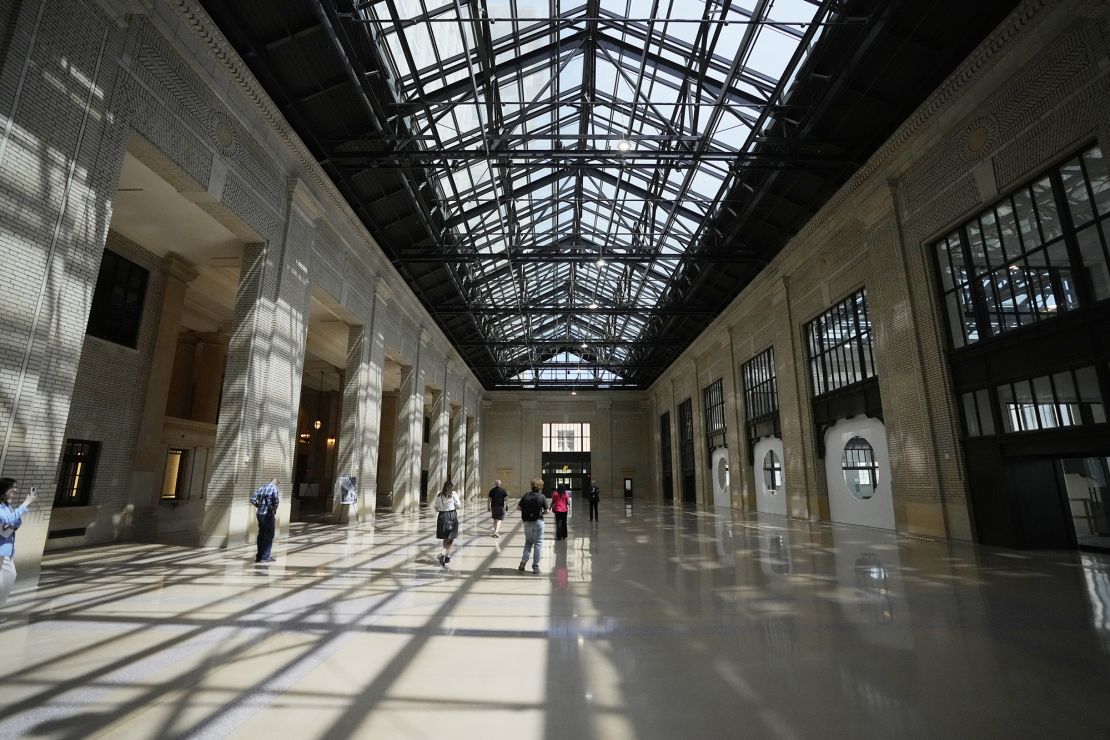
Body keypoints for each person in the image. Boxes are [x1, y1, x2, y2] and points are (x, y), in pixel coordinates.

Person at [0, 478, 37, 610]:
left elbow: (16, 522)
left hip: (7, 548)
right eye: (12, 487)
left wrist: (14, 522)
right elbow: (7, 519)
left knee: (10, 575)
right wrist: (26, 502)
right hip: (1, 548)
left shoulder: (8, 506)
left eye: (16, 487)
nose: (15, 490)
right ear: (4, 489)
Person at [517, 478, 547, 574]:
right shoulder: (541, 497)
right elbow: (547, 511)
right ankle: (535, 566)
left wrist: (527, 511)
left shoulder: (526, 495)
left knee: (528, 542)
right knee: (538, 544)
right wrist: (542, 512)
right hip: (538, 522)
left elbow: (518, 508)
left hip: (527, 522)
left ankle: (524, 561)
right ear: (540, 487)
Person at [250, 477, 280, 563]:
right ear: (276, 483)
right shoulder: (274, 488)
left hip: (259, 514)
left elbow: (252, 500)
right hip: (268, 514)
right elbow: (276, 501)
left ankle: (259, 556)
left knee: (261, 534)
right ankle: (265, 556)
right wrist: (274, 509)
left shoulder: (262, 487)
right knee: (270, 535)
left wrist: (259, 507)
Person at [433, 480, 462, 566]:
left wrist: (442, 508)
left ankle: (447, 557)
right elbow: (459, 506)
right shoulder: (453, 494)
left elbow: (436, 508)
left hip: (442, 517)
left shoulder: (439, 495)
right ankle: (443, 554)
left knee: (446, 538)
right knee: (451, 538)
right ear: (451, 487)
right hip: (451, 516)